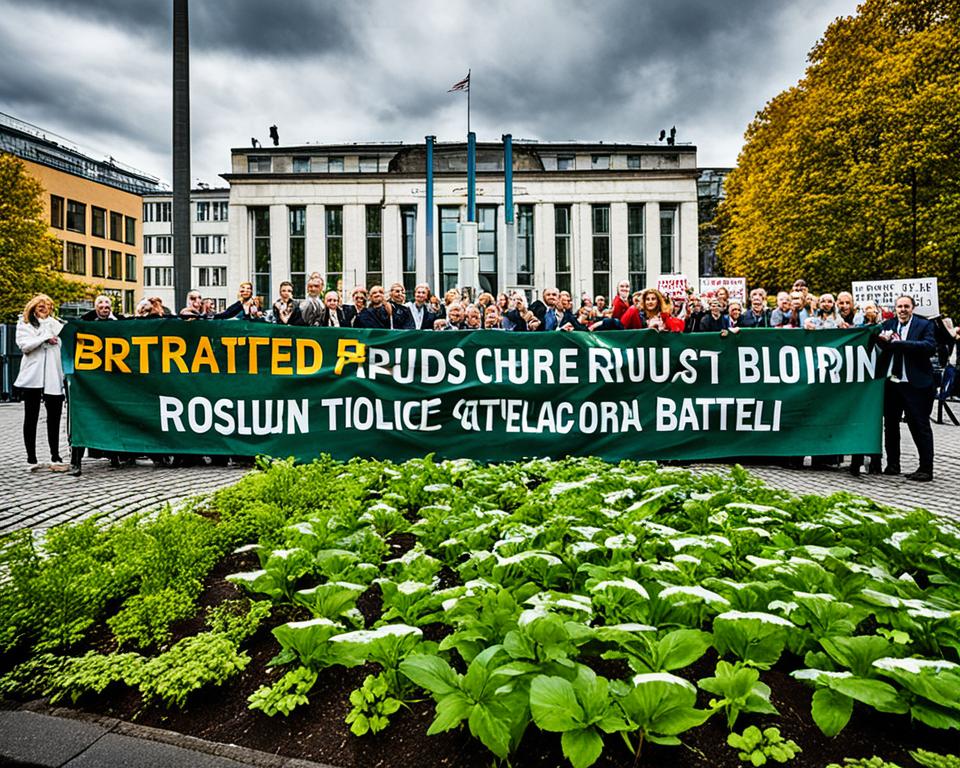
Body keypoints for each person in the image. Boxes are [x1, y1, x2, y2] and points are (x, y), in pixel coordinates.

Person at [878, 295, 937, 481]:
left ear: (913, 307)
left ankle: (926, 468)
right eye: (899, 306)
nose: (902, 310)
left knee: (919, 425)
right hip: (892, 384)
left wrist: (900, 344)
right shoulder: (888, 324)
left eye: (906, 306)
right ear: (895, 308)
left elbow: (929, 346)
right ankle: (893, 465)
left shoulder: (924, 324)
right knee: (891, 425)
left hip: (915, 384)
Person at [14, 295, 66, 468]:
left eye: (48, 306)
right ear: (33, 307)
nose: (44, 308)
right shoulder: (24, 324)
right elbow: (25, 346)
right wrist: (44, 339)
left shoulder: (56, 324)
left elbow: (65, 342)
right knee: (31, 416)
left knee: (54, 417)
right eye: (40, 305)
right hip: (33, 376)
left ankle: (55, 455)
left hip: (53, 375)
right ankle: (31, 457)